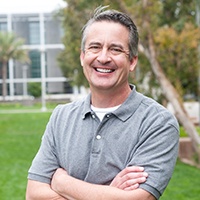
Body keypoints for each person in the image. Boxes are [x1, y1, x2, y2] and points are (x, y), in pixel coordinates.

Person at [26, 6, 179, 200]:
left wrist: (62, 183)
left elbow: (139, 198)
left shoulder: (158, 122)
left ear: (132, 61)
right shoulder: (61, 117)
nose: (103, 58)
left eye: (115, 49)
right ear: (83, 57)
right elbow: (33, 194)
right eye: (95, 47)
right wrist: (108, 193)